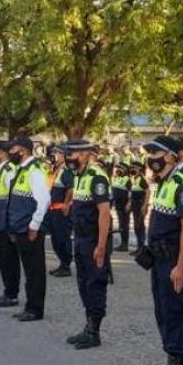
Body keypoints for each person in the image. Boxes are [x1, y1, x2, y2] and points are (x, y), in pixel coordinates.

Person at [141, 136, 183, 365]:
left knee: (176, 313)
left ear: (168, 156)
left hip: (173, 260)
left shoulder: (181, 186)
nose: (150, 159)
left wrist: (181, 266)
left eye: (155, 154)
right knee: (163, 312)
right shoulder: (163, 184)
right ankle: (170, 363)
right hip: (159, 259)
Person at [64, 139, 112, 350]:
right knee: (83, 283)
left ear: (84, 155)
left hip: (93, 240)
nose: (69, 158)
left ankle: (95, 332)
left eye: (72, 154)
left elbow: (104, 213)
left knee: (95, 284)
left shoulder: (97, 177)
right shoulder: (79, 176)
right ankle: (88, 326)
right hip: (81, 238)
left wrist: (100, 246)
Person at [5, 137, 51, 321]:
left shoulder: (35, 171)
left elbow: (44, 201)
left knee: (35, 271)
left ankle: (35, 309)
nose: (10, 153)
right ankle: (29, 306)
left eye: (13, 149)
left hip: (30, 229)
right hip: (20, 227)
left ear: (23, 150)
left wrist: (34, 226)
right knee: (29, 270)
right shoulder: (20, 170)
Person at [0, 141, 22, 308]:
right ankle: (7, 291)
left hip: (5, 222)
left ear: (2, 153)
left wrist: (10, 225)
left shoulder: (9, 170)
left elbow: (11, 199)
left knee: (9, 260)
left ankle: (12, 294)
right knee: (3, 259)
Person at [45, 145, 74, 277]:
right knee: (55, 239)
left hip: (60, 211)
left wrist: (66, 205)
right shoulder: (54, 169)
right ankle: (62, 263)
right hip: (52, 210)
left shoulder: (66, 171)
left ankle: (66, 266)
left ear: (63, 156)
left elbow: (70, 189)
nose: (54, 155)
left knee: (62, 239)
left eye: (56, 153)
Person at [127, 161, 149, 255]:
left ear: (139, 169)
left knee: (140, 227)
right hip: (135, 206)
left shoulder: (141, 179)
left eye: (134, 168)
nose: (132, 169)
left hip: (140, 206)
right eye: (131, 168)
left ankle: (142, 249)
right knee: (136, 227)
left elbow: (148, 192)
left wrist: (145, 205)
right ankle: (138, 248)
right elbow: (132, 193)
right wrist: (129, 203)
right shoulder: (134, 179)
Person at [111, 161, 132, 252]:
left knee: (124, 225)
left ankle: (124, 245)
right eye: (117, 168)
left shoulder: (128, 179)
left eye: (120, 168)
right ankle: (122, 244)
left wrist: (129, 204)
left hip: (124, 206)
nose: (118, 170)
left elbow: (131, 193)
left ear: (125, 170)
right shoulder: (117, 178)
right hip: (118, 205)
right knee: (121, 224)